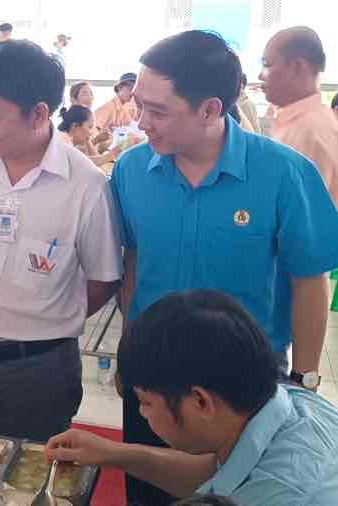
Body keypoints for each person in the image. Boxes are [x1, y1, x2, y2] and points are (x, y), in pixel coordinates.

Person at [111, 30, 338, 506]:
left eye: (157, 111)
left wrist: (306, 378)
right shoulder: (131, 172)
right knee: (148, 488)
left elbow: (308, 279)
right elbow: (133, 263)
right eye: (140, 106)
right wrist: (131, 345)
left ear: (210, 109)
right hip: (154, 377)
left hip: (243, 386)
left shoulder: (283, 173)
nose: (141, 122)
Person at [0, 40, 123, 441]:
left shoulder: (85, 187)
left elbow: (103, 280)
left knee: (26, 485)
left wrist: (45, 317)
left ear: (39, 114)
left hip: (39, 372)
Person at [46, 290, 338, 506]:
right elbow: (216, 475)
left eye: (145, 402)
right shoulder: (290, 402)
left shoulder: (270, 498)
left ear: (200, 401)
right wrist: (111, 454)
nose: (142, 414)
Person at [261, 26, 338, 204]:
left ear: (297, 67)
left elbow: (299, 218)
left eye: (267, 65)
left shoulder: (309, 133)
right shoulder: (299, 123)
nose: (260, 75)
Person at [57, 105, 124, 170]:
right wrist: (109, 156)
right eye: (89, 127)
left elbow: (97, 165)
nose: (91, 132)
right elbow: (81, 163)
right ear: (75, 126)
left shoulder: (71, 141)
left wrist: (87, 141)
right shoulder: (62, 140)